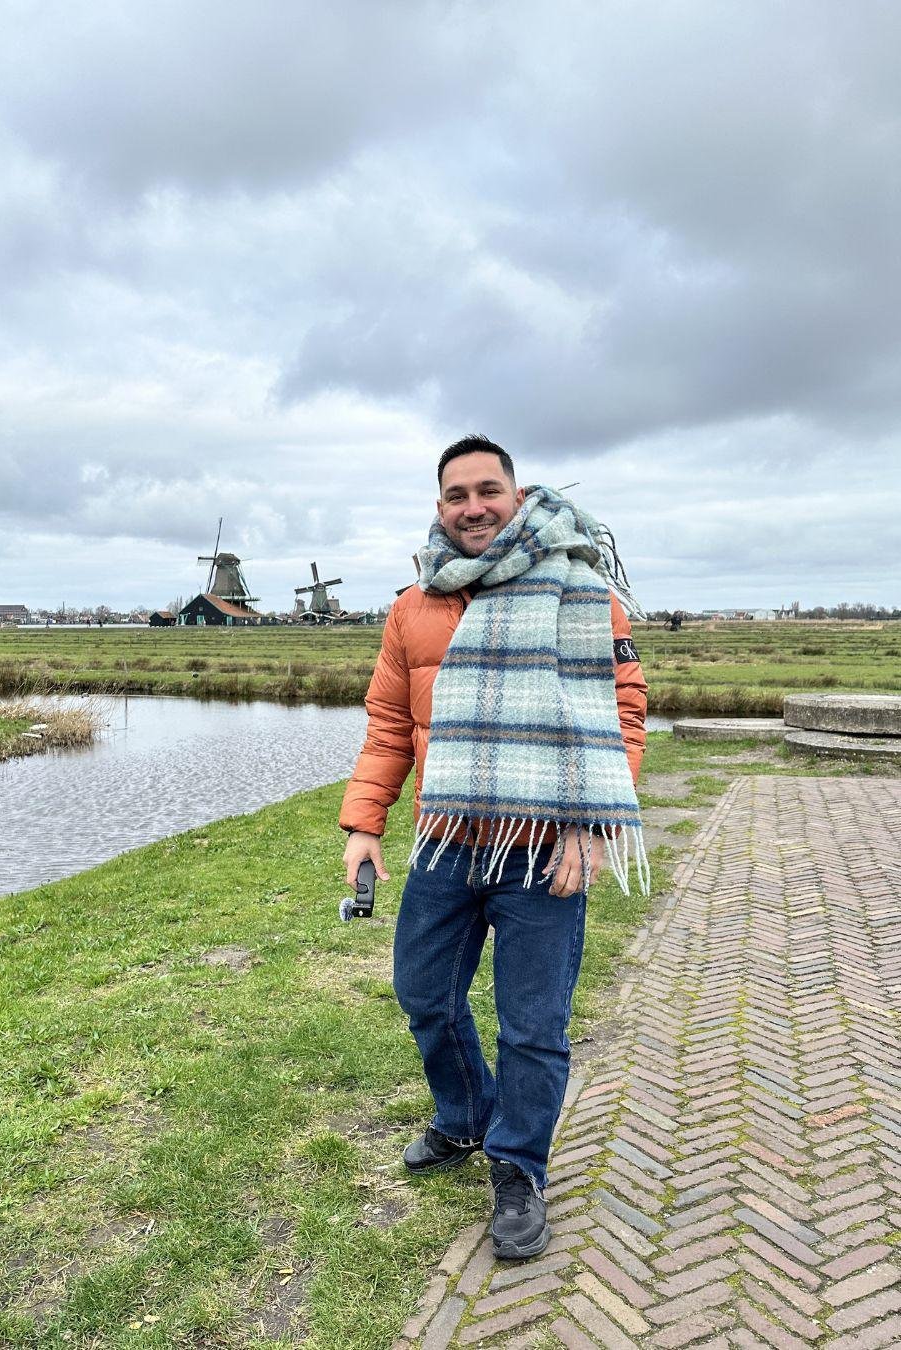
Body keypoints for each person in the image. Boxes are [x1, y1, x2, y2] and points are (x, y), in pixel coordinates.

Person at [340, 435, 648, 1260]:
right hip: (445, 842)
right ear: (438, 506)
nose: (473, 507)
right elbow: (389, 726)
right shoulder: (413, 606)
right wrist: (365, 824)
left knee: (533, 1025)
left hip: (544, 844)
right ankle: (465, 1115)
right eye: (456, 495)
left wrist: (591, 827)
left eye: (487, 490)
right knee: (425, 997)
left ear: (516, 495)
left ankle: (518, 1167)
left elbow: (621, 719)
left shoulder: (583, 593)